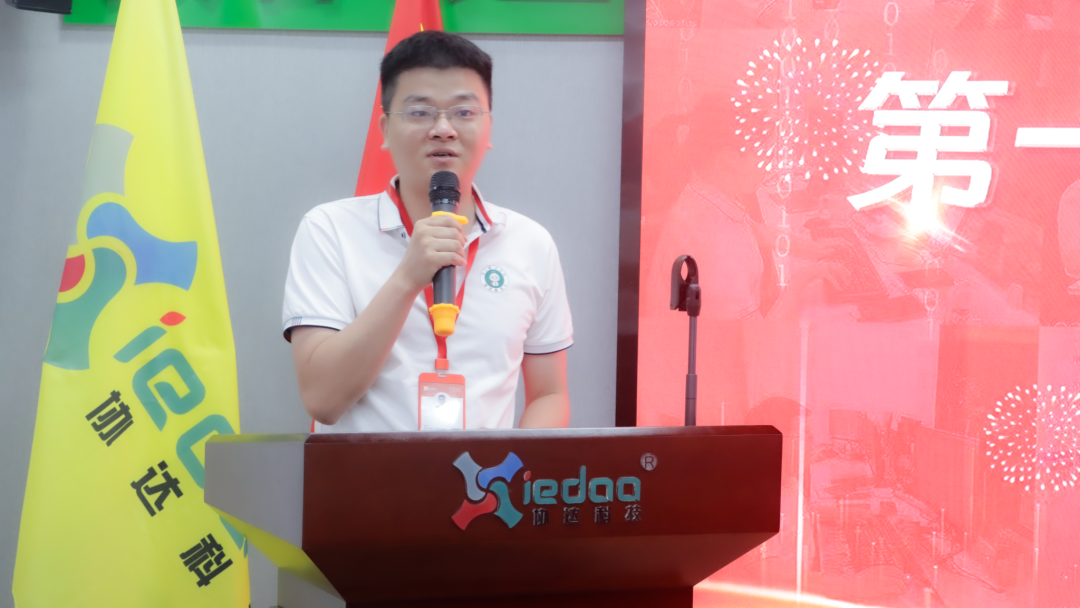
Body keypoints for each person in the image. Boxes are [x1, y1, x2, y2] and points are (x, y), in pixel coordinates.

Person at [282, 31, 573, 432]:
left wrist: (512, 467)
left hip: (483, 474)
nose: (443, 129)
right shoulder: (329, 230)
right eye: (420, 112)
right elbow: (322, 400)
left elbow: (549, 395)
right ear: (385, 129)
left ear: (488, 128)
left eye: (464, 112)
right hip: (365, 475)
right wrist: (408, 277)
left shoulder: (530, 243)